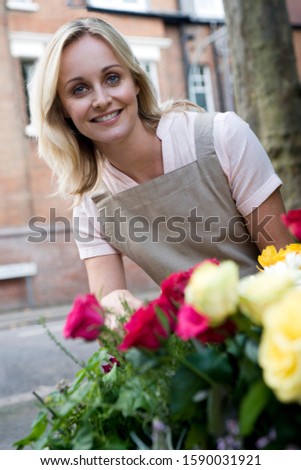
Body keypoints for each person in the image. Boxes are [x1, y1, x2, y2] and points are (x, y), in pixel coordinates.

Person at [29, 17, 292, 322]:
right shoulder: (91, 205)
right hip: (197, 358)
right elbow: (109, 301)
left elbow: (286, 266)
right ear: (62, 110)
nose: (101, 99)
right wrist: (117, 307)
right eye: (79, 89)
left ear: (136, 82)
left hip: (274, 327)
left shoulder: (223, 137)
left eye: (113, 78)